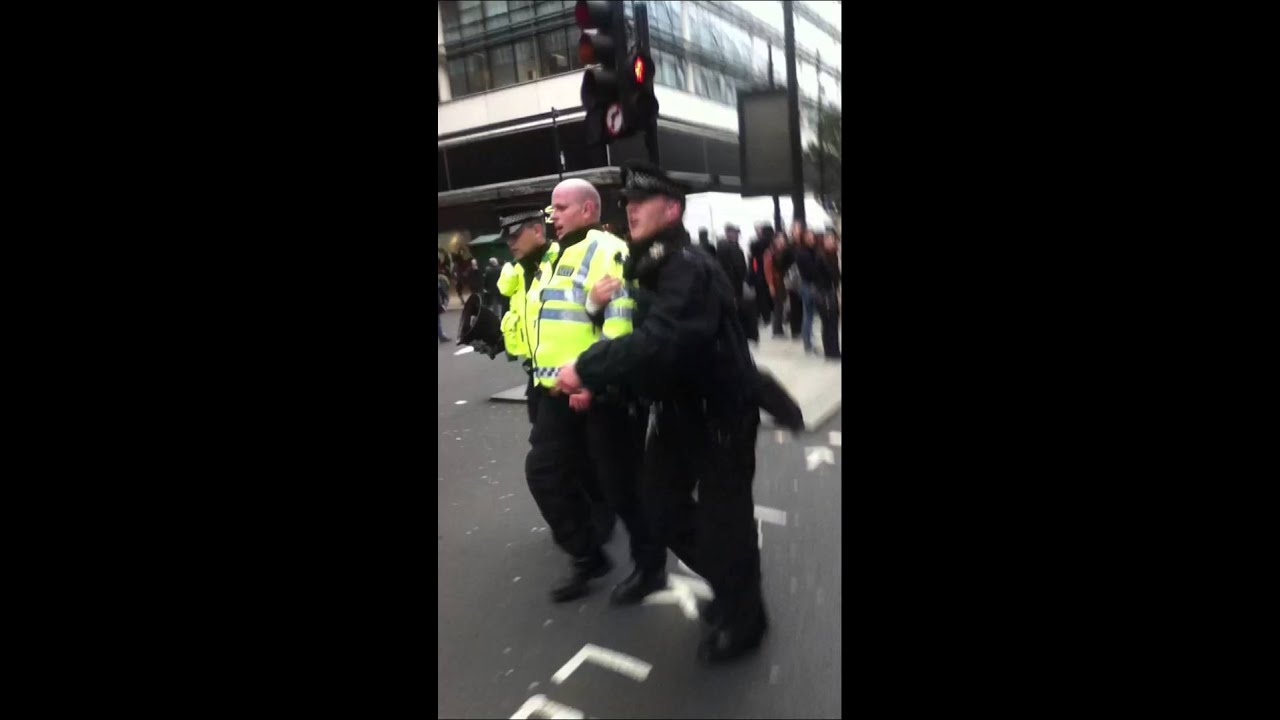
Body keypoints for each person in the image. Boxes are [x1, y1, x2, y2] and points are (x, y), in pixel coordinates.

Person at [556, 160, 769, 664]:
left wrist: (590, 366)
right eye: (625, 202)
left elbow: (667, 340)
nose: (628, 210)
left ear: (671, 209)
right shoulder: (650, 265)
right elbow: (645, 335)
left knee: (725, 523)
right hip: (676, 413)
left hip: (718, 417)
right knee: (661, 510)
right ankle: (732, 582)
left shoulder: (686, 266)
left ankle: (745, 618)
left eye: (640, 202)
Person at [541, 178, 665, 605]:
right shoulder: (558, 253)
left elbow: (620, 320)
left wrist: (591, 378)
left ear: (588, 210)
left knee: (622, 485)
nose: (551, 215)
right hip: (564, 387)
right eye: (552, 208)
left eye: (561, 207)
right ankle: (594, 554)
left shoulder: (607, 250)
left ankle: (650, 564)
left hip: (603, 390)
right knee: (571, 476)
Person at [815, 228, 842, 359]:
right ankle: (832, 351)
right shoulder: (824, 256)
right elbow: (833, 275)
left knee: (830, 323)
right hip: (825, 294)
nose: (833, 242)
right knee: (829, 322)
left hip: (828, 292)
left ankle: (831, 350)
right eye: (829, 239)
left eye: (833, 239)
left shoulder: (830, 255)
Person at [748, 224, 774, 326]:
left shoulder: (756, 244)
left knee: (761, 296)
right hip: (771, 271)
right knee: (770, 295)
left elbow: (752, 258)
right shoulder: (773, 242)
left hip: (759, 272)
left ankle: (766, 317)